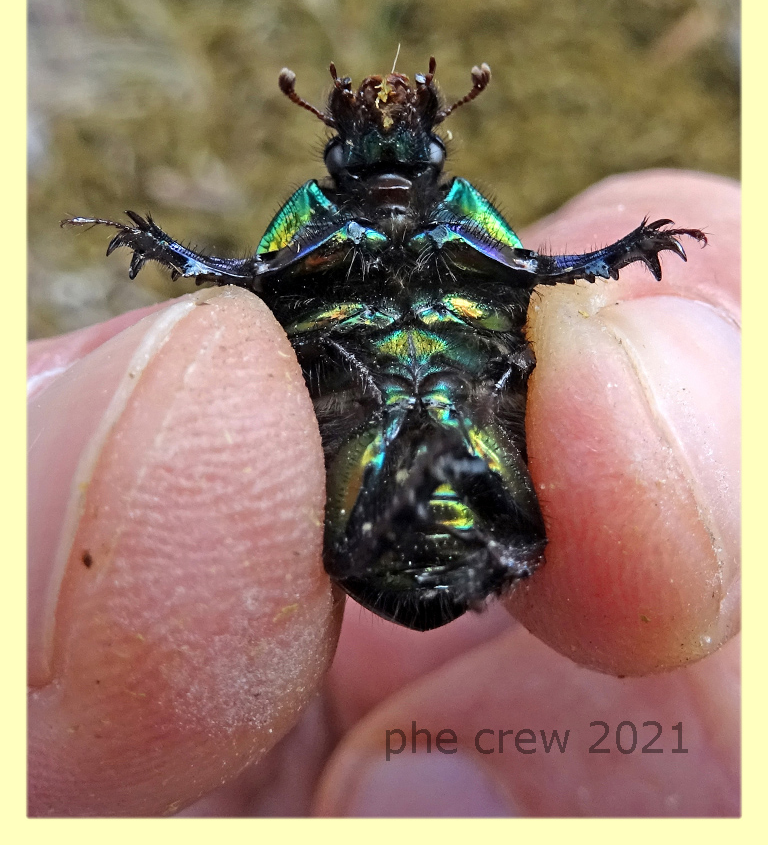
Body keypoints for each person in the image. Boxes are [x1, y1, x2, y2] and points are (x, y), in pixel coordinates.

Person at [28, 171, 740, 817]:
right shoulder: (330, 232)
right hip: (393, 507)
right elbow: (258, 278)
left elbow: (532, 272)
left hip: (426, 517)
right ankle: (450, 488)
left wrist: (609, 259)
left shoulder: (431, 227)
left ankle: (458, 500)